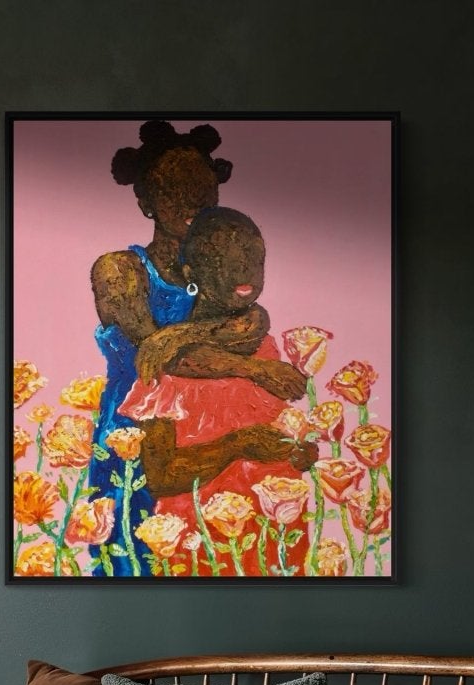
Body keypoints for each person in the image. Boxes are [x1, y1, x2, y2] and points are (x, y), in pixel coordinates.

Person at [86, 121, 308, 573]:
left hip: (207, 433)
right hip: (136, 433)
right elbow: (161, 362)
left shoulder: (220, 271)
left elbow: (251, 324)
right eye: (173, 190)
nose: (191, 201)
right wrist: (253, 370)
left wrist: (179, 332)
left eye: (201, 189)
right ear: (145, 201)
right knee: (136, 555)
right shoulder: (120, 270)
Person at [115, 206, 317, 573]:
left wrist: (296, 454)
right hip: (199, 537)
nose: (244, 271)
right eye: (224, 259)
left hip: (272, 532)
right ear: (191, 273)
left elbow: (274, 433)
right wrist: (237, 446)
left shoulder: (265, 348)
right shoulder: (169, 366)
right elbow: (159, 477)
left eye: (255, 259)